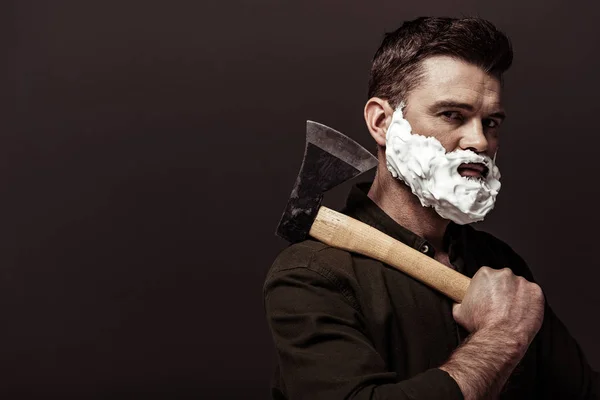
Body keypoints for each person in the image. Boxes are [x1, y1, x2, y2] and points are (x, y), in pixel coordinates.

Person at [263, 17, 599, 399]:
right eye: (452, 115)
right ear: (381, 122)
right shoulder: (311, 275)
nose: (479, 141)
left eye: (491, 122)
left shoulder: (499, 266)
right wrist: (500, 337)